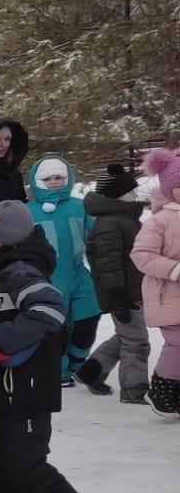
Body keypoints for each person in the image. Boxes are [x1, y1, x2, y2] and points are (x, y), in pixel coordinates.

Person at [0, 200, 111, 493]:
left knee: (25, 464)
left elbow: (49, 310)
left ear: (5, 239)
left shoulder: (22, 272)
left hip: (25, 389)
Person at [25, 154, 102, 382]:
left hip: (79, 276)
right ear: (38, 181)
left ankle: (77, 362)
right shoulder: (28, 211)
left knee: (87, 320)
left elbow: (98, 237)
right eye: (48, 178)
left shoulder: (79, 207)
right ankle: (57, 371)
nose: (54, 182)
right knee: (53, 328)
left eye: (59, 177)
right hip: (47, 280)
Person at [81, 162, 151, 404]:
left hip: (130, 288)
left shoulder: (123, 218)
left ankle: (92, 370)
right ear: (118, 195)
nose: (135, 195)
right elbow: (107, 264)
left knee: (127, 334)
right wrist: (118, 296)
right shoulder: (109, 224)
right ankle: (135, 389)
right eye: (131, 191)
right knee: (137, 340)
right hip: (121, 292)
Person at [132, 146, 180, 421]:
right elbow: (141, 255)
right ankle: (161, 389)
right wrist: (174, 269)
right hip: (167, 294)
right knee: (177, 344)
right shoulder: (159, 221)